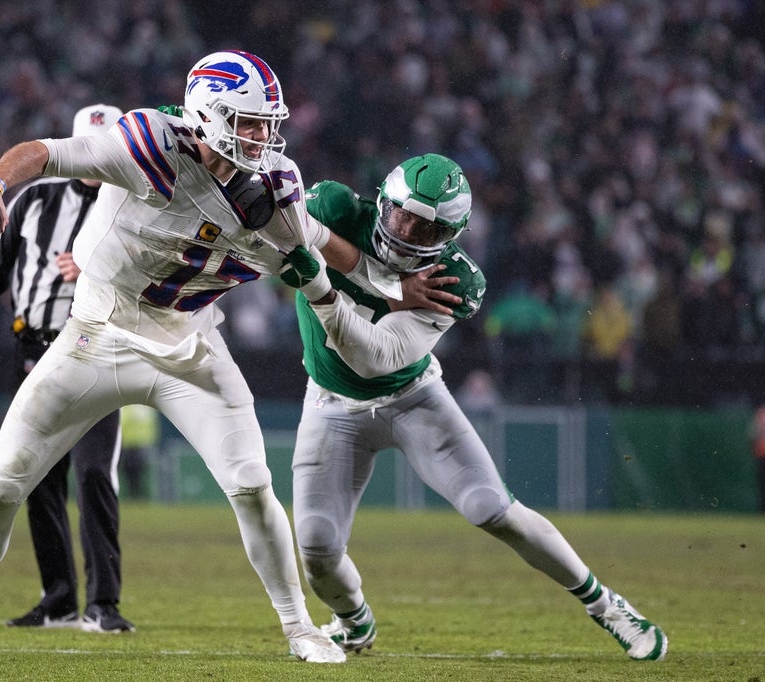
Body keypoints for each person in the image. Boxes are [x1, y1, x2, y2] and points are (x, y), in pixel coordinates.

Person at [0, 50, 394, 664]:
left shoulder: (272, 186)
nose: (262, 136)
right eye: (248, 122)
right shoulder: (146, 144)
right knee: (1, 483)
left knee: (251, 484)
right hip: (95, 335)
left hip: (188, 346)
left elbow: (308, 255)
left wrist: (362, 293)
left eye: (266, 122)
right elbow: (44, 151)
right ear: (210, 115)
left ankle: (300, 627)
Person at [277, 154, 668, 660]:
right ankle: (354, 623)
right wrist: (386, 285)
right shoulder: (333, 204)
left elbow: (375, 356)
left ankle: (607, 605)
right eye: (402, 215)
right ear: (384, 199)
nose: (407, 231)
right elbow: (286, 233)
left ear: (451, 236)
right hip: (331, 402)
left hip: (411, 398)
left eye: (425, 228)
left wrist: (322, 283)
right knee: (316, 549)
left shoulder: (456, 280)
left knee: (493, 509)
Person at [0, 104, 134, 633]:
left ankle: (104, 603)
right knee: (35, 477)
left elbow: (162, 269)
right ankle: (58, 599)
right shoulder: (33, 199)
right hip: (34, 349)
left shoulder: (137, 203)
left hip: (100, 350)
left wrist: (101, 264)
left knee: (96, 473)